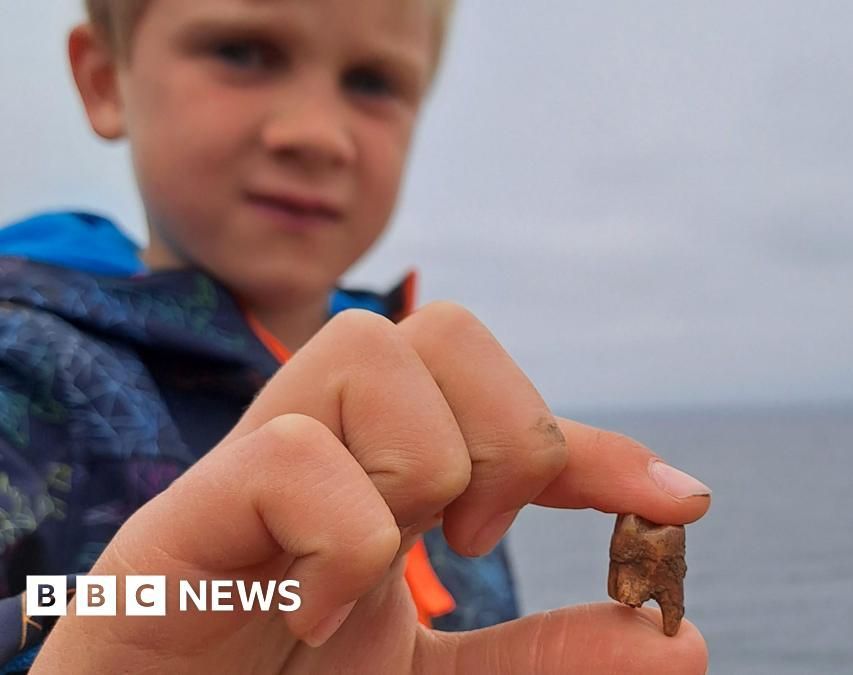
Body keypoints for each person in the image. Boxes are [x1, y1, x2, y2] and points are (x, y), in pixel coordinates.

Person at [0, 0, 712, 672]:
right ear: (104, 81)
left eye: (371, 81)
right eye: (243, 52)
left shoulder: (447, 408)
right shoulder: (19, 375)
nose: (315, 133)